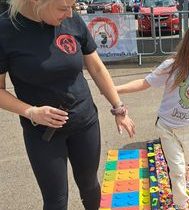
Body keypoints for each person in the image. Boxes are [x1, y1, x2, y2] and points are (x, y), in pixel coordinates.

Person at [0, 0, 135, 209]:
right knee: (56, 199)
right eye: (63, 8)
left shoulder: (71, 21)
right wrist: (31, 111)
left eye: (72, 6)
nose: (70, 14)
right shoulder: (5, 31)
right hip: (42, 132)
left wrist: (119, 108)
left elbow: (97, 68)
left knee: (90, 185)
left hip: (84, 122)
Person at [116, 22, 189, 209]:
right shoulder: (172, 66)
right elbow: (145, 83)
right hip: (167, 127)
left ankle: (181, 187)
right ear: (187, 50)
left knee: (187, 166)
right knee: (177, 170)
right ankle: (181, 205)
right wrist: (114, 89)